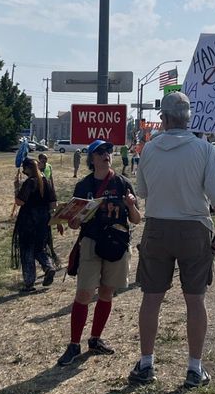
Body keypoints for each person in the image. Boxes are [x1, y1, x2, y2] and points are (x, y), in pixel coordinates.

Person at [130, 92, 215, 389]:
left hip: (158, 228)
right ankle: (194, 368)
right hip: (194, 230)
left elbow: (143, 191)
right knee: (195, 300)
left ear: (164, 118)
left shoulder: (148, 150)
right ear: (188, 118)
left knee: (151, 298)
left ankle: (147, 364)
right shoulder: (204, 149)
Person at [55, 140, 142, 366]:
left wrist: (131, 205)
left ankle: (95, 339)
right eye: (101, 152)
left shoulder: (123, 183)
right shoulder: (83, 186)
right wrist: (72, 220)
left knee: (106, 292)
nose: (107, 155)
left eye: (109, 151)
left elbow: (136, 219)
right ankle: (74, 344)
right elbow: (75, 224)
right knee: (84, 293)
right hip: (92, 242)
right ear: (92, 158)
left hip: (116, 243)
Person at [12, 158, 58, 292]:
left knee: (27, 250)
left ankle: (29, 283)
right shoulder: (46, 181)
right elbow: (53, 203)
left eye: (24, 168)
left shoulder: (30, 182)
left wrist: (16, 188)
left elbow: (20, 201)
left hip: (28, 219)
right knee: (40, 248)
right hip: (43, 220)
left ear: (28, 169)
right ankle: (49, 266)